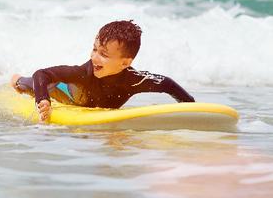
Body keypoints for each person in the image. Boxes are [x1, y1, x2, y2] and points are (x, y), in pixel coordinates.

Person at [10, 20, 195, 122]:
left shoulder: (135, 80)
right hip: (63, 91)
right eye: (94, 49)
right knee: (28, 85)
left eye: (104, 54)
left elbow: (167, 83)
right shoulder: (83, 73)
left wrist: (190, 107)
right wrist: (43, 100)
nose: (95, 57)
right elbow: (42, 74)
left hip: (93, 104)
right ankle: (17, 79)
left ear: (125, 63)